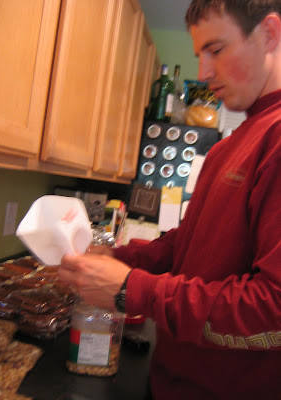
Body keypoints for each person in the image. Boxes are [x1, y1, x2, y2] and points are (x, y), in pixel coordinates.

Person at [58, 1, 281, 398]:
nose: (203, 73)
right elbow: (189, 245)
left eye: (215, 50)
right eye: (199, 55)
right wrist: (120, 259)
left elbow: (271, 310)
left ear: (269, 34)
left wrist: (132, 289)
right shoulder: (226, 149)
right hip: (168, 382)